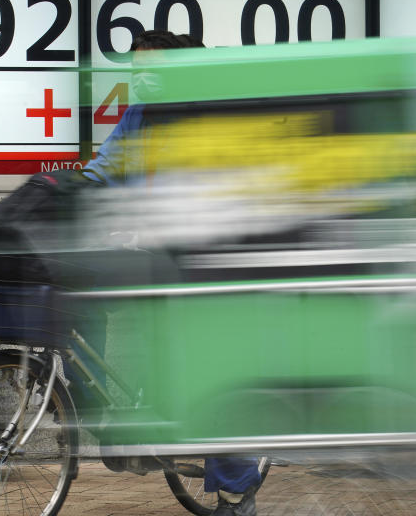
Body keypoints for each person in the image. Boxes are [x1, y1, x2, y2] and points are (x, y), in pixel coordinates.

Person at [83, 30, 262, 516]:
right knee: (83, 298)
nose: (142, 79)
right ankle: (128, 424)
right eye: (135, 70)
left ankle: (235, 489)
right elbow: (105, 166)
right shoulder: (140, 115)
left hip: (216, 262)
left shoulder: (215, 115)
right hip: (162, 258)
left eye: (153, 69)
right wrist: (63, 191)